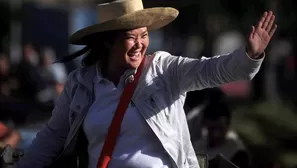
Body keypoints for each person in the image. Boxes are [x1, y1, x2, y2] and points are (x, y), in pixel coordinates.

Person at [15, 0, 277, 167]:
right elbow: (52, 136)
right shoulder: (81, 83)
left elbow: (213, 70)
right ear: (108, 41)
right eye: (131, 37)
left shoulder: (165, 70)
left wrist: (249, 55)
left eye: (144, 35)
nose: (141, 44)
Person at [193, 100, 250, 168]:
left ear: (228, 125)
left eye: (220, 128)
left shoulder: (237, 151)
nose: (215, 134)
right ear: (205, 124)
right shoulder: (198, 146)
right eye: (212, 128)